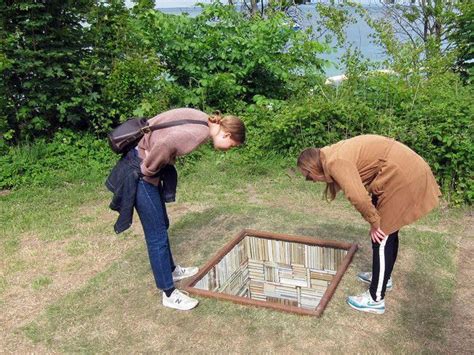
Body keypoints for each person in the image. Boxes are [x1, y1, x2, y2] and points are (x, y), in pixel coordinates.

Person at [106, 108, 245, 311]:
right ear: (227, 134)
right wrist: (148, 171)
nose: (228, 149)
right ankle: (169, 293)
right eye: (231, 145)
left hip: (142, 162)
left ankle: (170, 270)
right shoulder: (197, 134)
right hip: (141, 172)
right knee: (156, 235)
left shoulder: (204, 120)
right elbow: (165, 143)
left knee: (162, 224)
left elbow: (167, 119)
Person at [296, 134, 441, 314]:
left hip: (400, 175)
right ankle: (383, 278)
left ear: (313, 168)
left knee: (382, 236)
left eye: (308, 177)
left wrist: (374, 221)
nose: (311, 181)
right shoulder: (330, 154)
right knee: (388, 232)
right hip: (397, 171)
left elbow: (358, 196)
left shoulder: (335, 162)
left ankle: (375, 299)